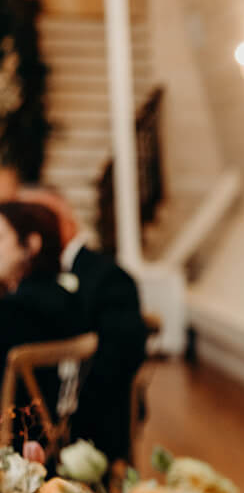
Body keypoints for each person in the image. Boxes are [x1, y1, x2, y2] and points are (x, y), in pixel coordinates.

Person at [16, 186, 146, 467]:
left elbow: (118, 358)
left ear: (60, 222)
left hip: (87, 419)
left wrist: (63, 422)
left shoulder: (107, 276)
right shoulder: (25, 281)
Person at [0, 200, 89, 447]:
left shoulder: (17, 310)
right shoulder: (64, 299)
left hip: (16, 441)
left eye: (0, 238)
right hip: (54, 437)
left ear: (31, 245)